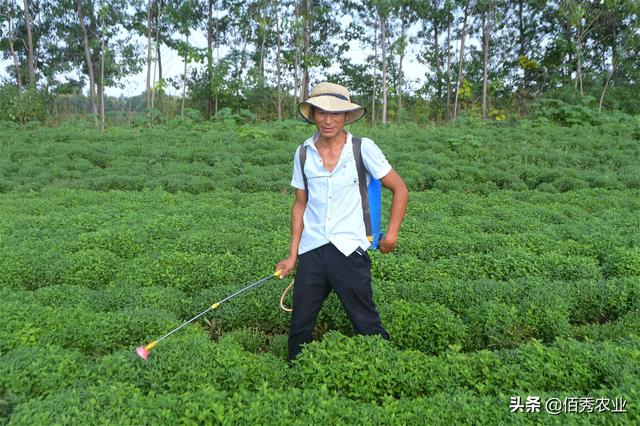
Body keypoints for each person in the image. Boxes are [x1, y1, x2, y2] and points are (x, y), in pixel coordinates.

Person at [276, 82, 409, 361]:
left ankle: (386, 366)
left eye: (335, 113)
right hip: (312, 248)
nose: (327, 120)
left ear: (346, 116)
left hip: (348, 249)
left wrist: (392, 234)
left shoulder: (363, 149)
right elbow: (300, 205)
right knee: (300, 323)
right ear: (312, 114)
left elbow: (400, 188)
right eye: (321, 112)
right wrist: (292, 255)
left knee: (365, 320)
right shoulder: (303, 153)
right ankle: (293, 374)